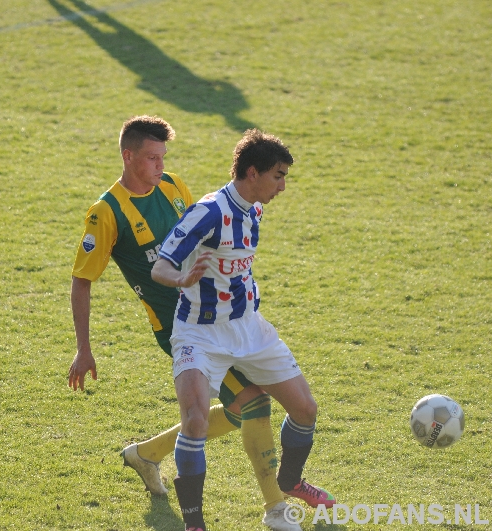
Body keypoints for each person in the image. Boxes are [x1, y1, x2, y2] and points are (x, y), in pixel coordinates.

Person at [68, 116, 304, 531]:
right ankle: (276, 508)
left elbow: (204, 234)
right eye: (152, 158)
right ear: (129, 156)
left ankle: (147, 454)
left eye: (163, 157)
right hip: (180, 325)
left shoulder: (174, 186)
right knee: (253, 403)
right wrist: (83, 347)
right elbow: (82, 280)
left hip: (222, 318)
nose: (161, 166)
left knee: (233, 411)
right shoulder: (105, 213)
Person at [150, 129, 336, 531]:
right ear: (253, 173)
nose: (283, 186)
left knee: (305, 409)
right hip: (199, 333)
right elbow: (160, 266)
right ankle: (194, 523)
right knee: (196, 420)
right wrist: (181, 281)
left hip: (249, 328)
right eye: (278, 176)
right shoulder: (209, 212)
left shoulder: (254, 210)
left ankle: (290, 482)